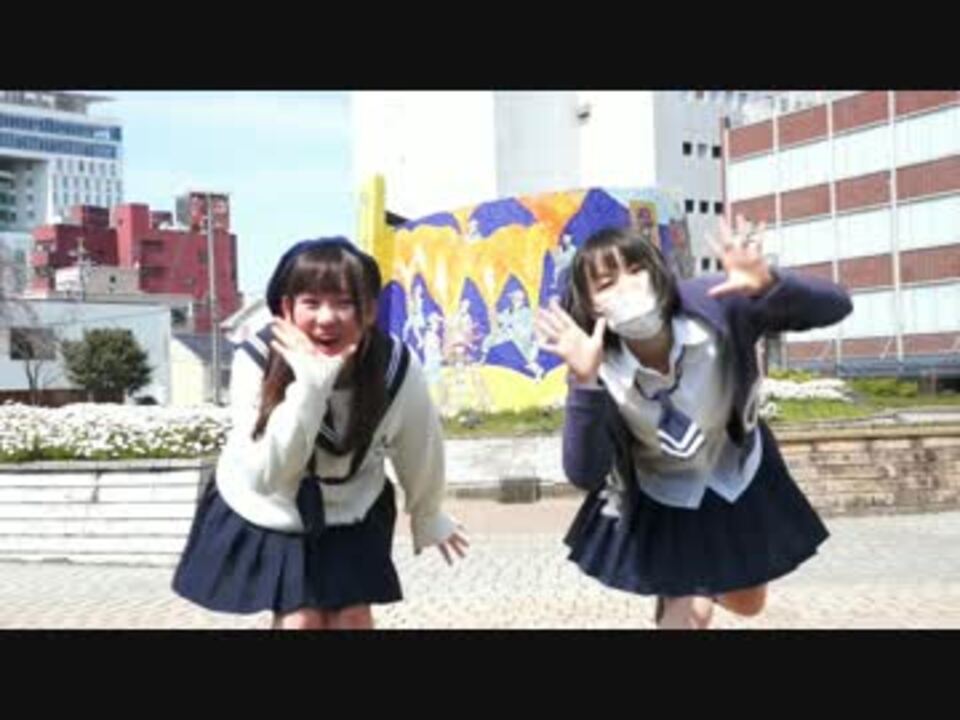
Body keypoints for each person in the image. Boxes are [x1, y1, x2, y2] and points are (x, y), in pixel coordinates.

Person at [534, 216, 852, 629]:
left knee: (749, 602)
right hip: (662, 492)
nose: (627, 287)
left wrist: (769, 284)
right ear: (591, 305)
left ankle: (697, 582)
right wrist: (583, 382)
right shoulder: (596, 361)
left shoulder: (715, 303)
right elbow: (585, 474)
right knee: (689, 615)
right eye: (607, 283)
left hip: (734, 472)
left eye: (636, 270)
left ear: (658, 273)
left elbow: (837, 304)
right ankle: (682, 587)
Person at [173, 237, 468, 629]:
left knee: (352, 617)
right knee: (301, 619)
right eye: (311, 303)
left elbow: (420, 444)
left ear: (369, 310)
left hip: (354, 500)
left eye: (344, 303)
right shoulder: (255, 361)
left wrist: (427, 513)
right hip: (271, 502)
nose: (327, 318)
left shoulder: (395, 365)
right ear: (286, 309)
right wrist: (311, 384)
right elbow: (268, 475)